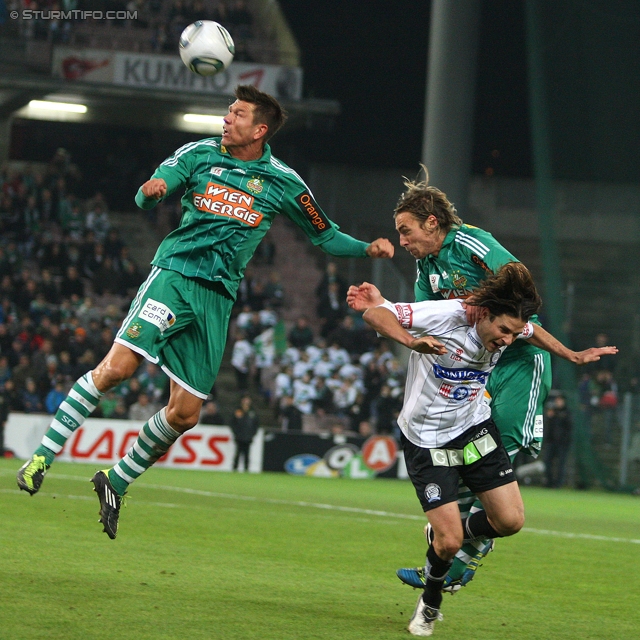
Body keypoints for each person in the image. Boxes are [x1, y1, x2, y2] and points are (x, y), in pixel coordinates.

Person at [16, 84, 394, 539]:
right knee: (117, 369)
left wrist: (366, 248)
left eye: (236, 114)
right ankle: (42, 456)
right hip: (173, 277)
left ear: (260, 129)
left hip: (216, 299)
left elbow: (325, 235)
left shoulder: (282, 181)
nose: (226, 118)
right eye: (227, 111)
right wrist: (151, 193)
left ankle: (115, 480)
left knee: (185, 414)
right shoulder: (197, 154)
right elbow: (152, 191)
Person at [389, 166, 618, 591]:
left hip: (519, 361)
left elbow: (521, 281)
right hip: (476, 369)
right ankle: (456, 538)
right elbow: (428, 324)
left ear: (432, 222)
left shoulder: (472, 242)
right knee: (464, 464)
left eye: (406, 231)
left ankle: (461, 559)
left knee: (500, 452)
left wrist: (489, 306)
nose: (402, 241)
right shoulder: (427, 273)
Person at [347, 263, 543, 636]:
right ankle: (430, 605)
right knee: (450, 542)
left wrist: (572, 355)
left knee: (511, 521)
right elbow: (376, 314)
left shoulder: (509, 328)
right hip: (426, 439)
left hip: (473, 428)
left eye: (513, 334)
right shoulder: (447, 315)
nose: (506, 340)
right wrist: (409, 341)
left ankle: (443, 535)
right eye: (503, 330)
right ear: (484, 313)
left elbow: (534, 333)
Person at [543, 393, 573, 488]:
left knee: (561, 464)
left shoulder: (567, 413)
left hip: (562, 443)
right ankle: (549, 482)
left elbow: (569, 425)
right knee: (547, 462)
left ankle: (558, 484)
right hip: (551, 441)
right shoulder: (552, 412)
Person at [230, 395, 259, 471]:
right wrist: (236, 433)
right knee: (238, 453)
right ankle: (235, 468)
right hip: (239, 437)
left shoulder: (252, 412)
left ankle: (246, 469)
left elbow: (256, 425)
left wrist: (252, 434)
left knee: (247, 454)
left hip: (248, 437)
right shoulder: (237, 411)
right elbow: (232, 423)